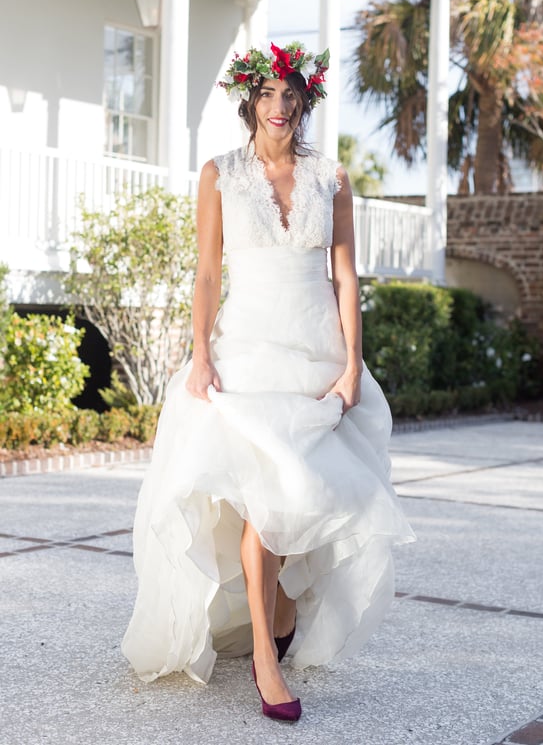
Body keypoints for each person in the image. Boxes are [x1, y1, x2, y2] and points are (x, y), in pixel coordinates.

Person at [121, 41, 415, 723]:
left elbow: (345, 275)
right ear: (249, 99)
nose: (279, 107)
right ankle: (263, 653)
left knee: (297, 496)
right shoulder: (219, 174)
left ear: (304, 102)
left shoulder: (331, 178)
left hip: (315, 351)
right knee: (262, 500)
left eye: (291, 95)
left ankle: (280, 611)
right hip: (247, 351)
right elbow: (206, 273)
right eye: (267, 94)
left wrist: (350, 365)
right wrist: (200, 352)